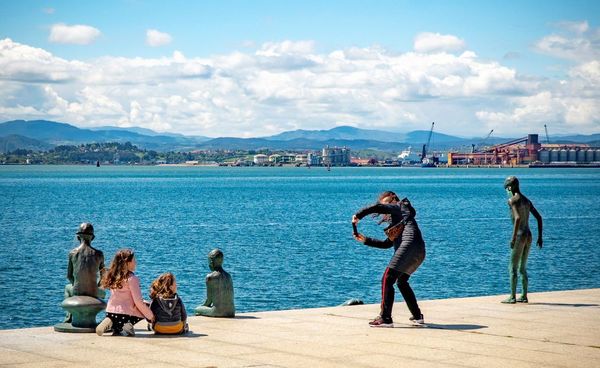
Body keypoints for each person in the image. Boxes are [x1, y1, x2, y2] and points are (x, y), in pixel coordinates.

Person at [352, 191, 426, 328]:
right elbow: (387, 244)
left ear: (394, 200)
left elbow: (376, 208)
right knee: (402, 282)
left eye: (387, 203)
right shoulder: (398, 221)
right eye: (384, 205)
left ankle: (386, 318)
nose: (386, 207)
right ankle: (417, 316)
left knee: (387, 278)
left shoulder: (400, 206)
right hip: (419, 251)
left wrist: (358, 215)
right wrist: (366, 240)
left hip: (410, 246)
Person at [502, 176, 543, 304]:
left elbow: (518, 218)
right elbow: (539, 217)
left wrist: (513, 238)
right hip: (529, 235)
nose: (507, 190)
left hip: (520, 235)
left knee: (512, 267)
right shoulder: (527, 201)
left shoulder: (512, 200)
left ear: (511, 187)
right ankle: (524, 295)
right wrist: (540, 237)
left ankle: (512, 296)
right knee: (522, 268)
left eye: (507, 187)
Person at [96, 249, 154, 336]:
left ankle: (112, 323)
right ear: (127, 263)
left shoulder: (113, 277)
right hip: (126, 314)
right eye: (134, 260)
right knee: (147, 305)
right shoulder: (132, 279)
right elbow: (138, 302)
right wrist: (151, 316)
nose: (136, 263)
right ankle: (127, 325)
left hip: (111, 312)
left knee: (116, 319)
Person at [63, 223, 106, 323]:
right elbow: (103, 276)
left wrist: (78, 285)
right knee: (104, 293)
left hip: (77, 290)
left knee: (67, 288)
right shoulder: (99, 254)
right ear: (93, 238)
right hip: (94, 291)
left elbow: (69, 276)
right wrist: (97, 285)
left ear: (78, 237)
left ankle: (69, 316)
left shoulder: (73, 253)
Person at [194, 249, 235, 317]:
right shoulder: (228, 276)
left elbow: (208, 301)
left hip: (218, 312)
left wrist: (202, 307)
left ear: (211, 261)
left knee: (197, 309)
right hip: (231, 311)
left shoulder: (210, 277)